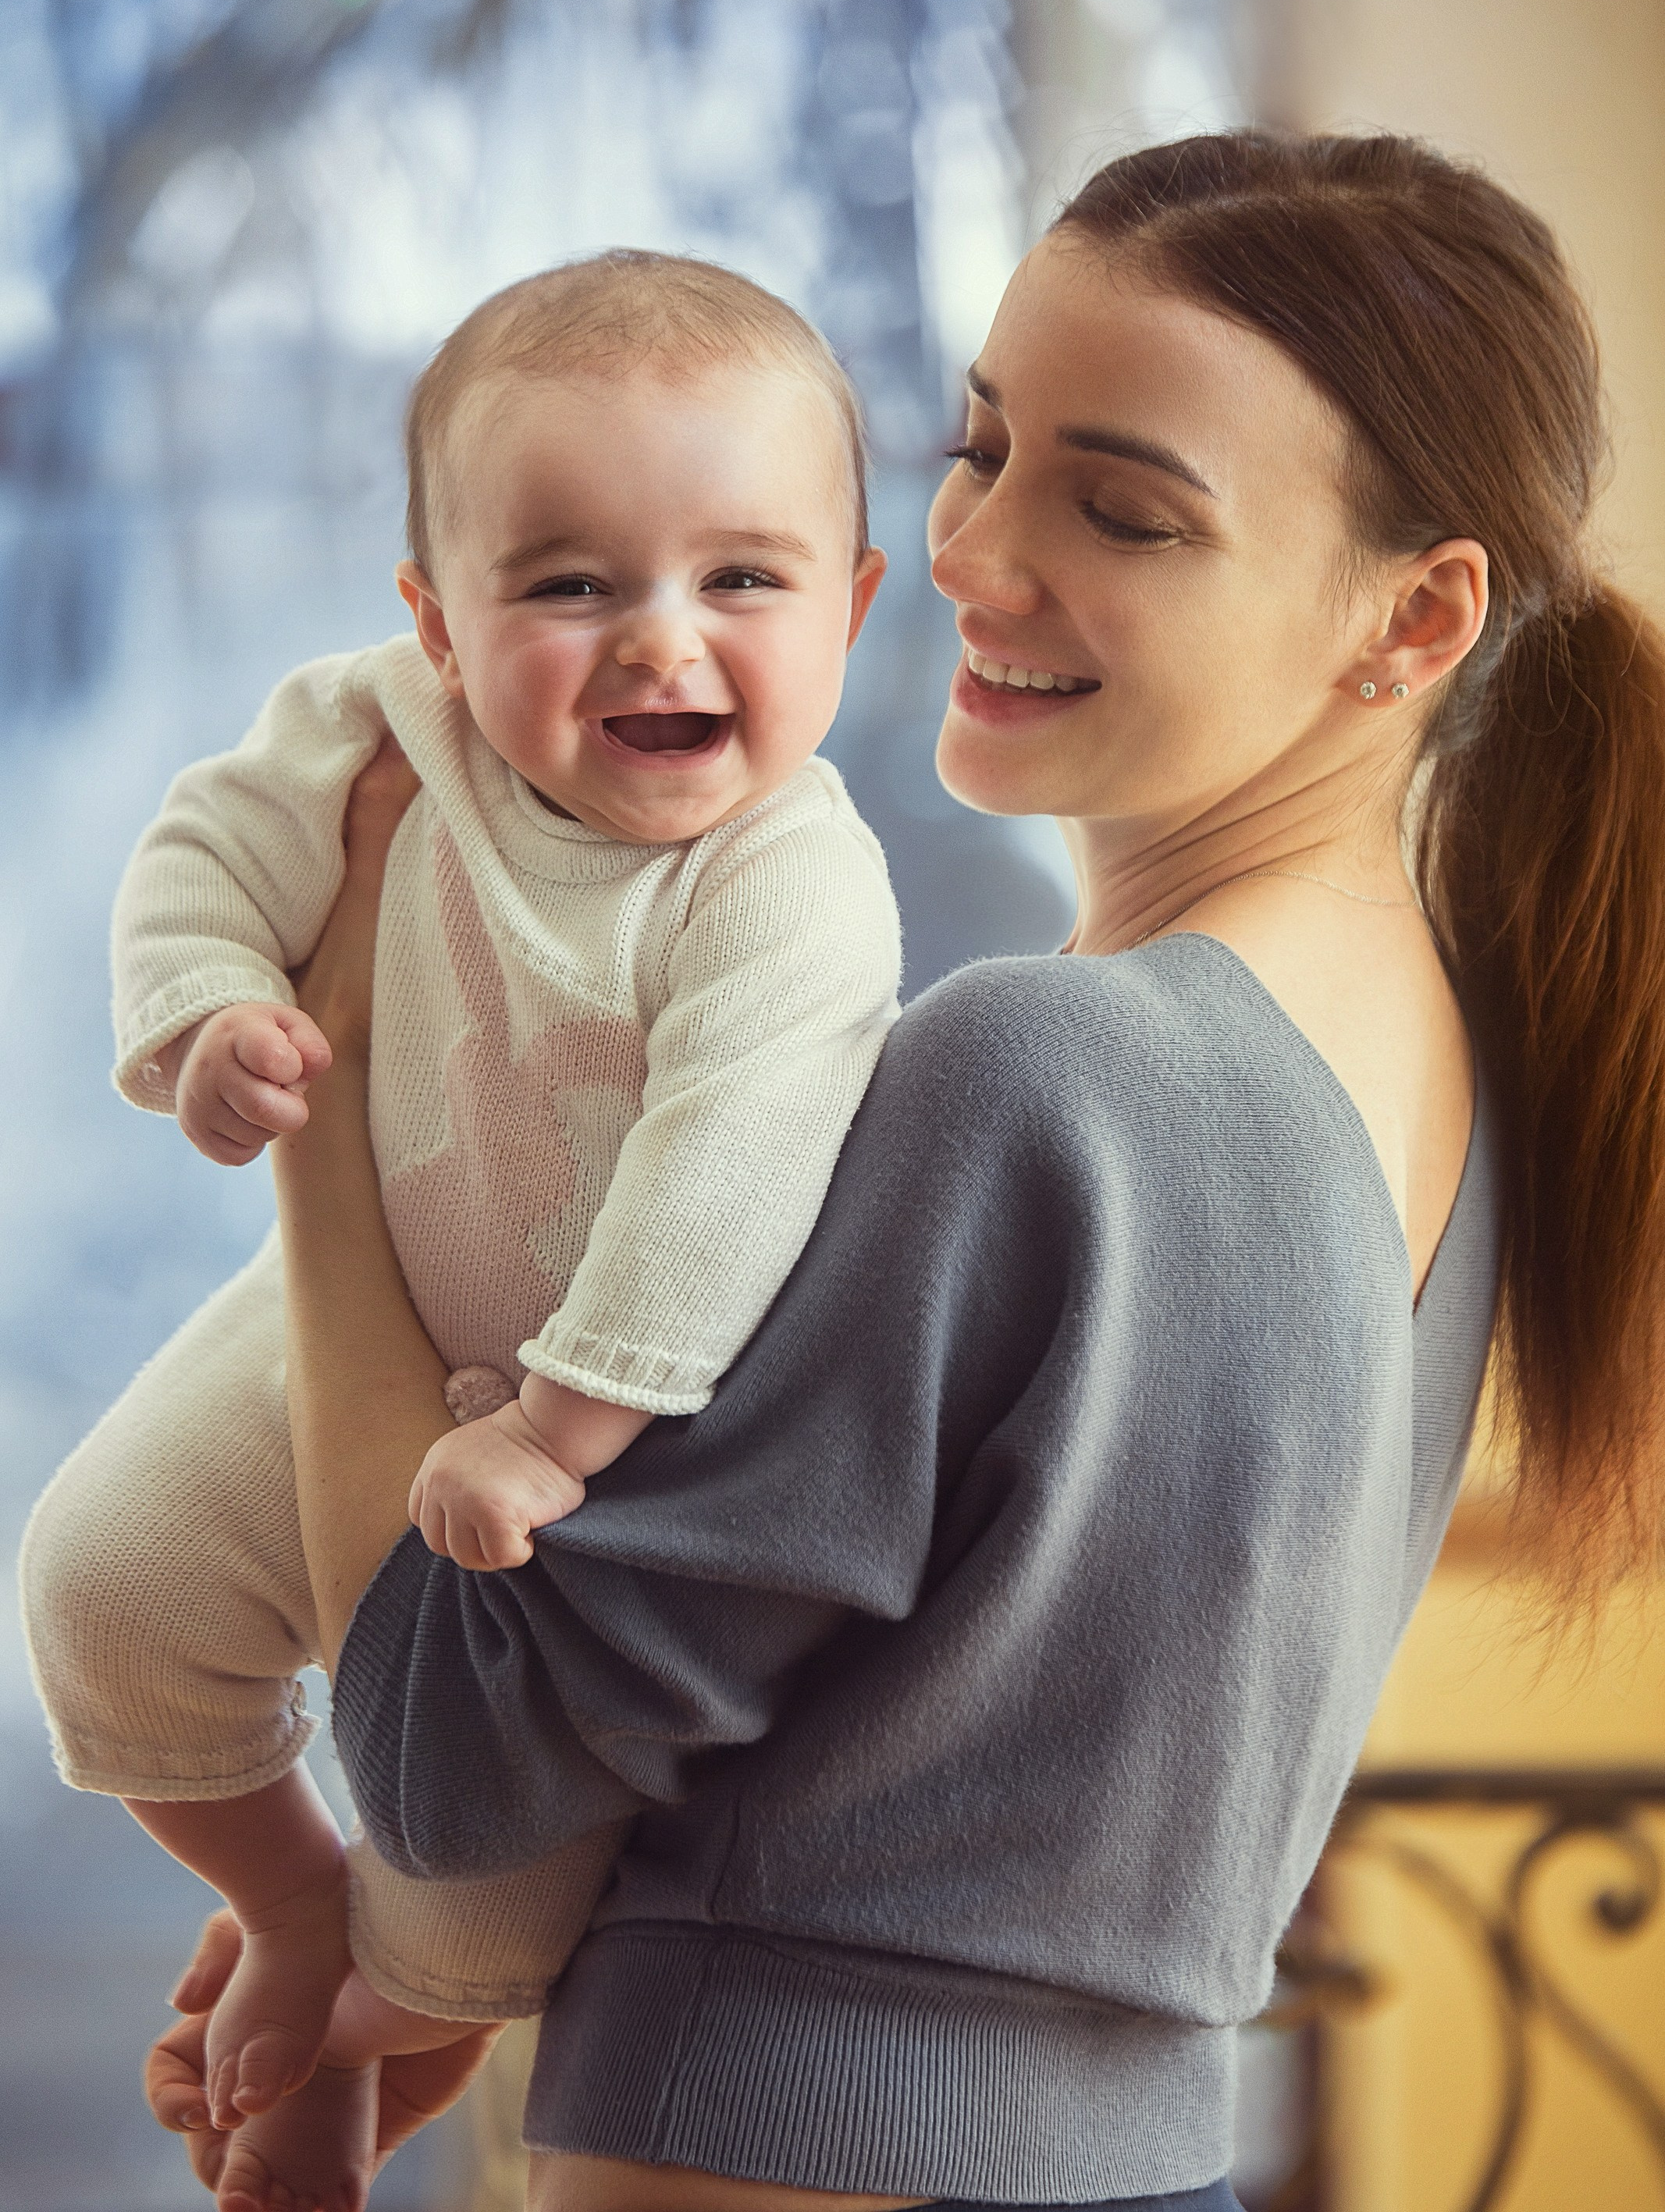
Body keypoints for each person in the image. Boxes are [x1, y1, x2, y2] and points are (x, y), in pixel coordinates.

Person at [158, 128, 1665, 2212]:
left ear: (1407, 623)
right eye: (977, 444)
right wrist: (439, 1983)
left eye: (1118, 510)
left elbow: (447, 1761)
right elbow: (941, 1776)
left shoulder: (1043, 1077)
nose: (965, 550)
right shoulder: (1415, 1075)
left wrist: (332, 1085)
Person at [20, 252, 901, 2200]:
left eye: (741, 579)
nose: (658, 641)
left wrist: (555, 1427)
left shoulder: (789, 884)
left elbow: (725, 1176)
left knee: (485, 1910)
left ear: (849, 607)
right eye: (569, 584)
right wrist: (201, 1020)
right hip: (335, 1322)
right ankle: (287, 1900)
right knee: (98, 1585)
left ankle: (377, 2012)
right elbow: (208, 845)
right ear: (436, 618)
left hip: (611, 1442)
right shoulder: (378, 732)